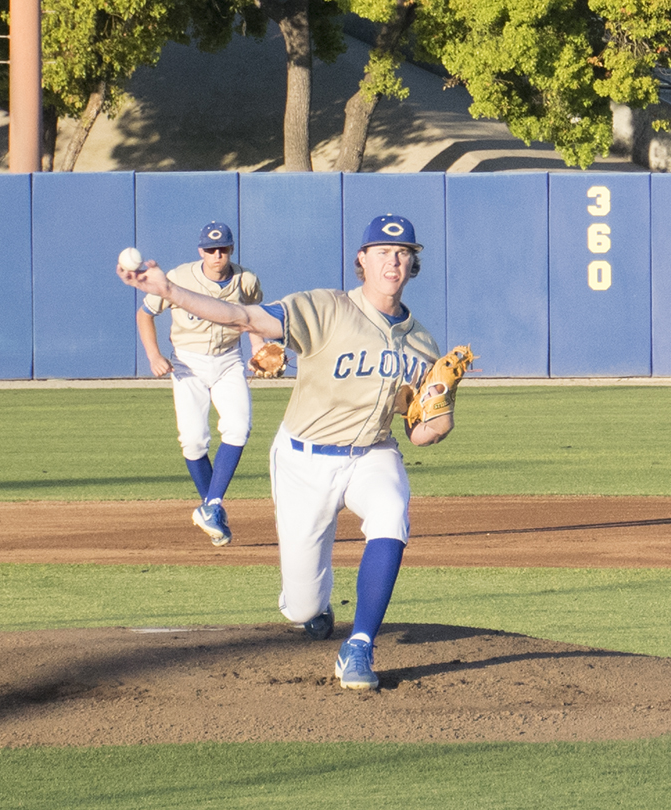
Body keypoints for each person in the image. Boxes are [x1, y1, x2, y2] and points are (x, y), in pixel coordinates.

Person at [118, 214, 455, 690]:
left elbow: (422, 432)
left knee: (392, 515)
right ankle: (310, 609)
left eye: (402, 253)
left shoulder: (423, 345)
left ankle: (358, 644)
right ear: (362, 259)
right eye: (382, 251)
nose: (393, 261)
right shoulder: (327, 307)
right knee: (302, 605)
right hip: (303, 459)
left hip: (373, 453)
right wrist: (169, 291)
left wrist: (440, 418)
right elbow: (244, 317)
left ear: (413, 264)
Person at [134, 221, 265, 546]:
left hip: (228, 360)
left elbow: (255, 315)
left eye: (222, 249)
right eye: (210, 249)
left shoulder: (245, 279)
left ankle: (212, 506)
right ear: (200, 250)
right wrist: (153, 355)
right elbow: (144, 313)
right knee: (193, 440)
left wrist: (258, 345)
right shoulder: (178, 278)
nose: (217, 254)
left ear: (231, 249)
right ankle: (212, 509)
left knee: (238, 427)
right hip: (187, 362)